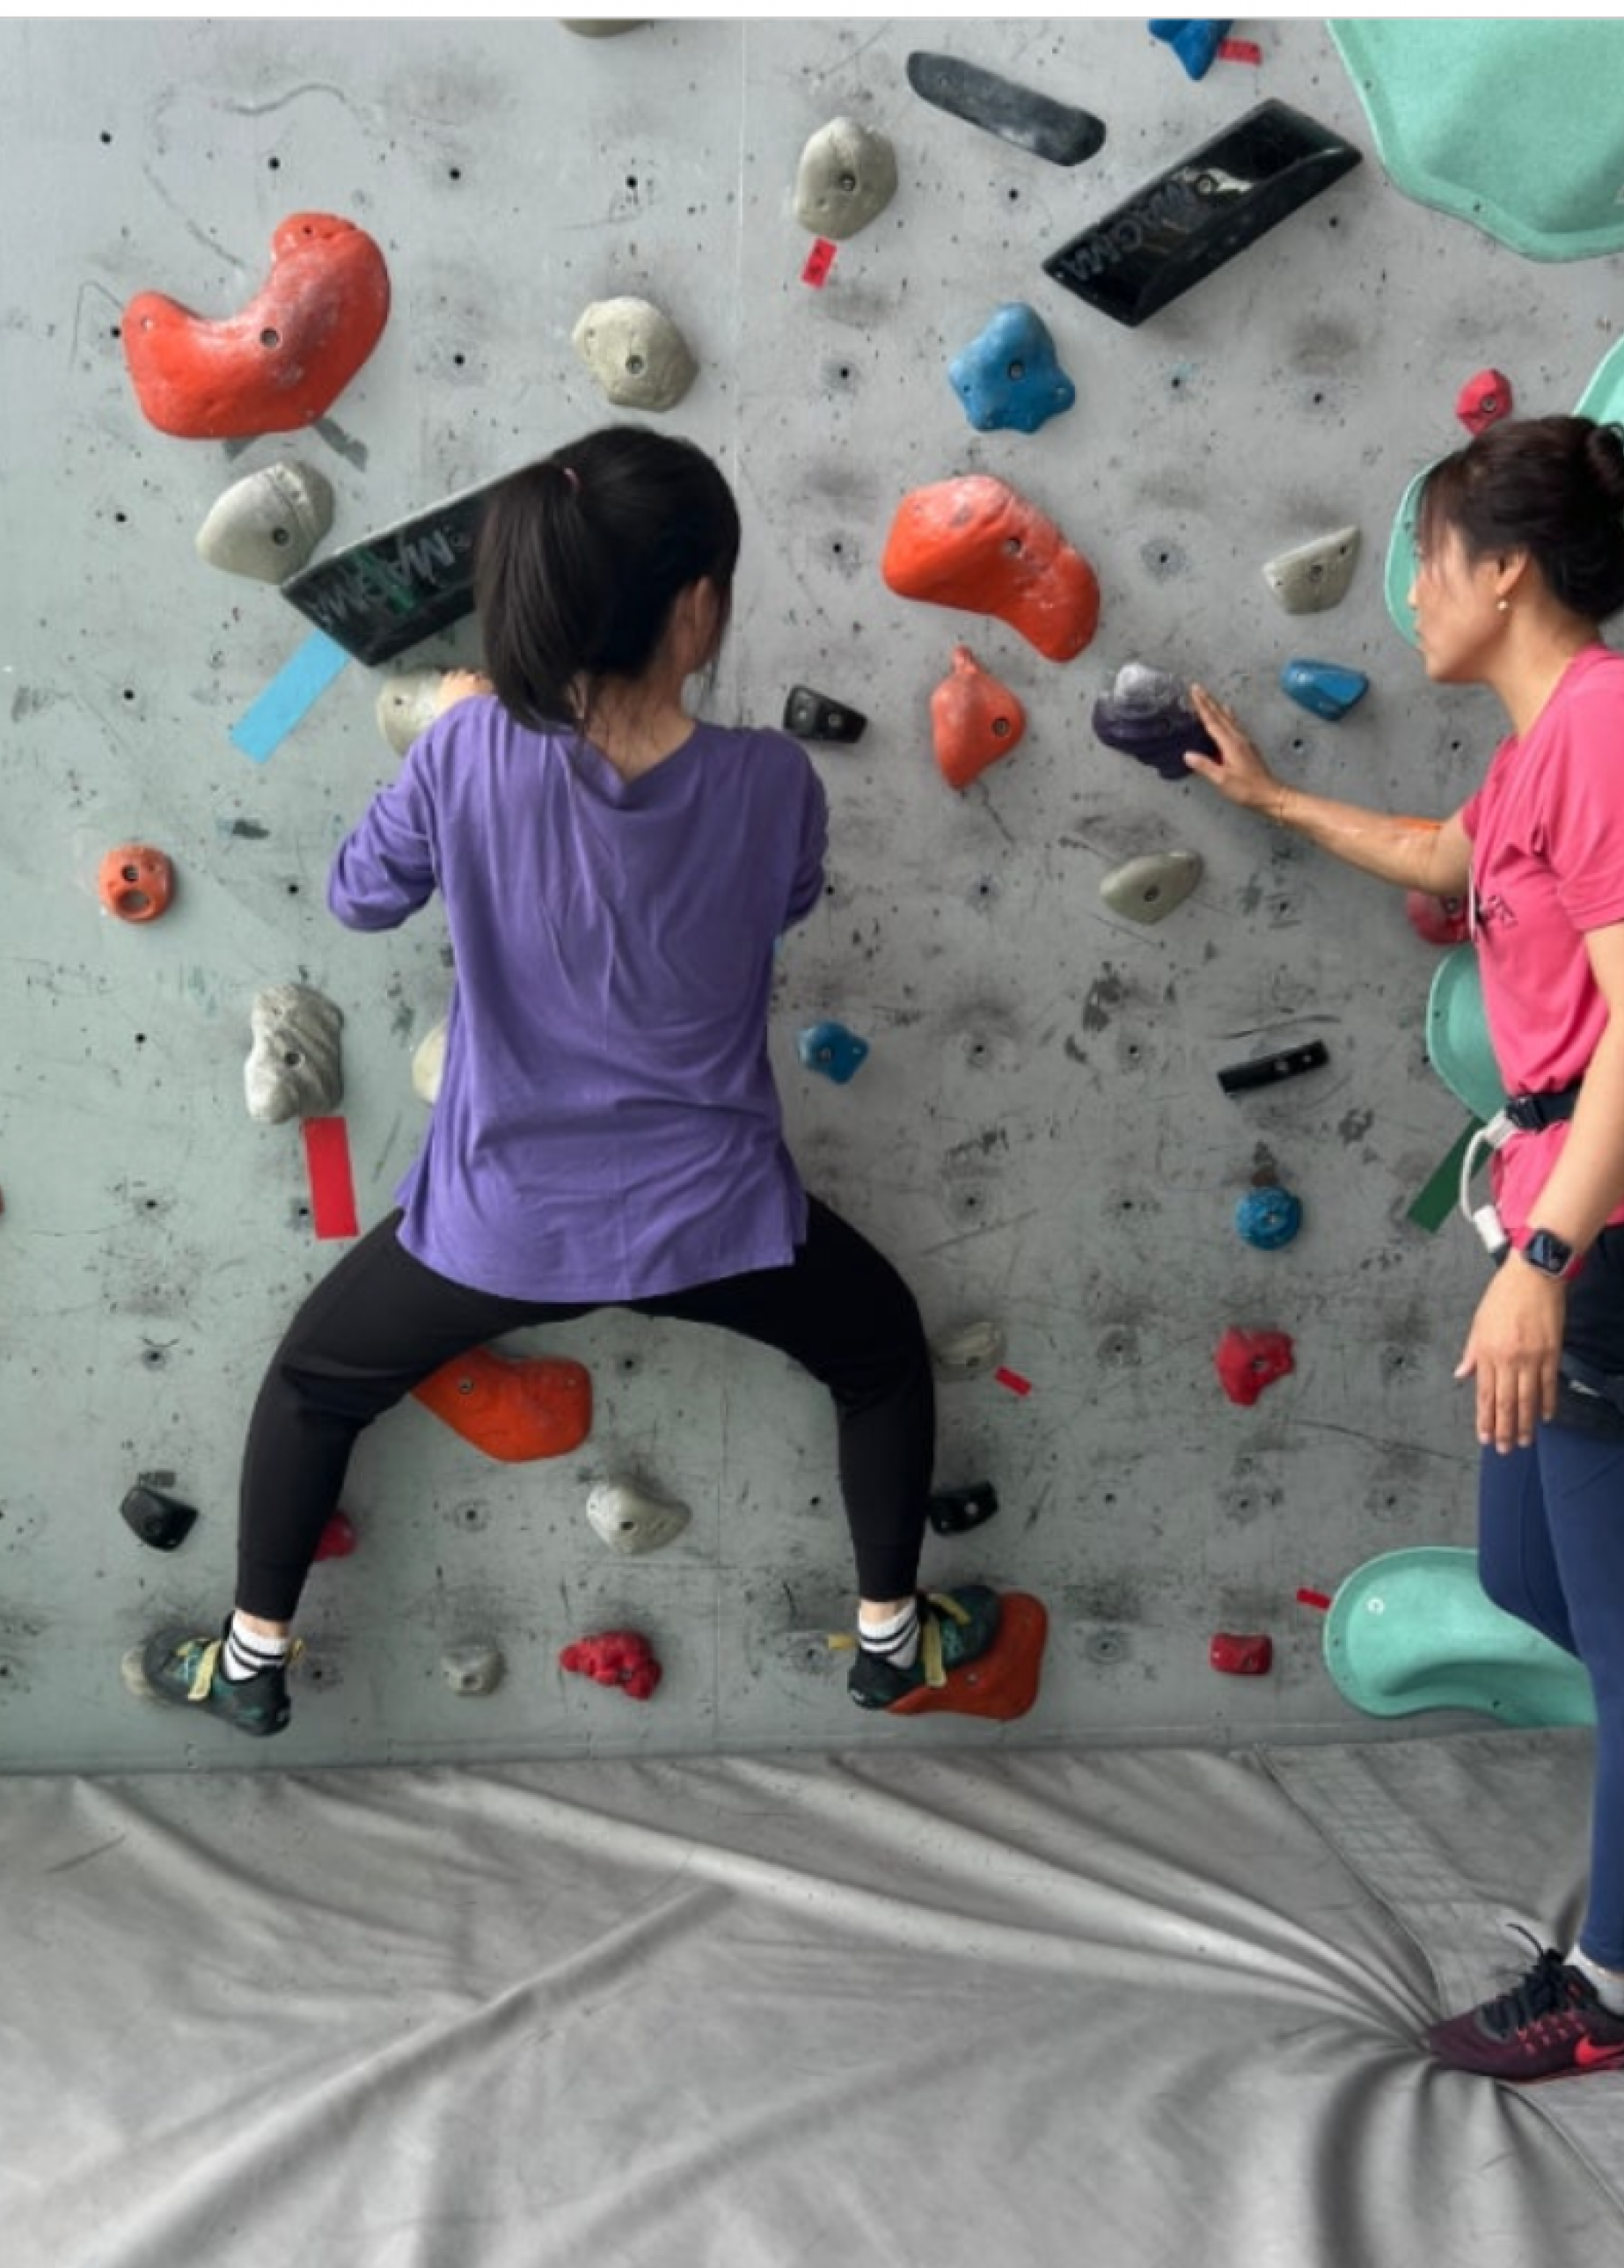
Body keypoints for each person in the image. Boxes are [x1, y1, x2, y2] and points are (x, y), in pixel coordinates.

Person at [1184, 414, 1624, 2083]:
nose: (1411, 599)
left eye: (1428, 564)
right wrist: (1275, 797)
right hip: (1590, 1236)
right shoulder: (1537, 754)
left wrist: (1541, 1259)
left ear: (1504, 569)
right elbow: (1448, 858)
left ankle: (1611, 1994)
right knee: (1532, 1580)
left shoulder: (1622, 730)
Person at [135, 426, 1000, 1737]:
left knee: (315, 1383)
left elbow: (360, 898)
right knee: (880, 1351)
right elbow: (786, 902)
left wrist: (452, 736)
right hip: (715, 1223)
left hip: (503, 1224)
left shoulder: (466, 749)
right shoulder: (774, 781)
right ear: (697, 608)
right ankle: (890, 1642)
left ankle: (250, 1664)